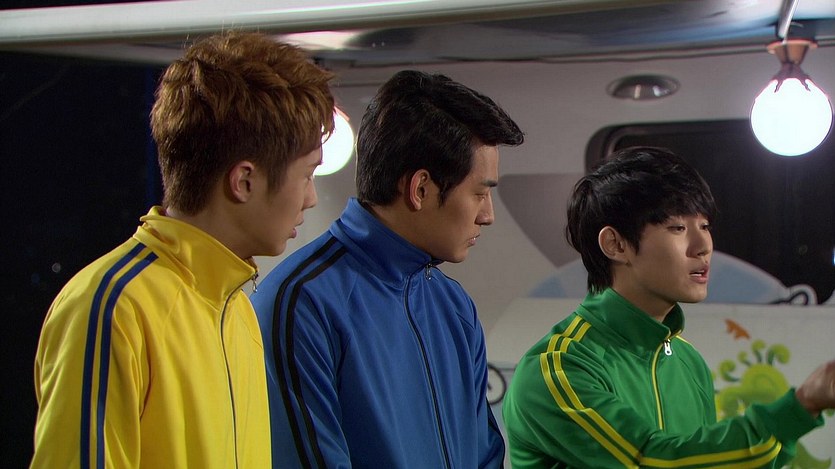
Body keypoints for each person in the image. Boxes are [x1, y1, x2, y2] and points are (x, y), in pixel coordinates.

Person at [30, 31, 335, 468]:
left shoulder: (239, 313)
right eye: (306, 175)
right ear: (244, 181)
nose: (310, 198)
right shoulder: (111, 307)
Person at [251, 69, 524, 468]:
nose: (488, 215)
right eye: (480, 193)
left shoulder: (454, 306)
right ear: (420, 189)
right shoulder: (299, 304)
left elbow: (485, 454)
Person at [502, 146, 835, 468]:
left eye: (704, 226)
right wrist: (800, 407)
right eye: (678, 228)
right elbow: (649, 461)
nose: (703, 246)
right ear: (615, 244)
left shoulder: (688, 362)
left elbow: (705, 464)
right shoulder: (557, 369)